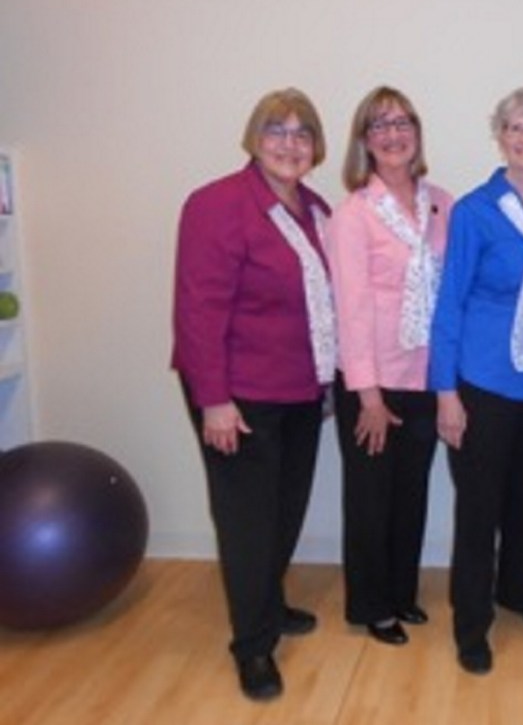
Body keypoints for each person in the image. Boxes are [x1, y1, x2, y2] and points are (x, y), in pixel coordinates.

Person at [172, 88, 335, 702]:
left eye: (302, 133)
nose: (289, 144)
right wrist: (214, 399)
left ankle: (267, 603)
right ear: (253, 138)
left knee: (283, 512)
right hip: (237, 397)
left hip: (297, 390)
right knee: (246, 522)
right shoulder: (218, 204)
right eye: (277, 130)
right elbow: (198, 308)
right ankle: (253, 647)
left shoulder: (315, 208)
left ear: (316, 146)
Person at [429, 87, 523, 675]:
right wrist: (446, 392)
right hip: (483, 384)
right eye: (517, 127)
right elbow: (449, 305)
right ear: (501, 135)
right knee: (480, 508)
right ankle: (471, 624)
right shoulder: (474, 211)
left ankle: (517, 589)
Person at [327, 86, 453, 646]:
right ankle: (370, 604)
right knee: (371, 498)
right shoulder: (353, 214)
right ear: (365, 142)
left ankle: (402, 591)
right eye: (379, 125)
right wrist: (369, 396)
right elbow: (350, 309)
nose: (393, 133)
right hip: (372, 381)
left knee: (412, 492)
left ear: (417, 132)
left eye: (402, 122)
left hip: (427, 375)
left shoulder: (442, 203)